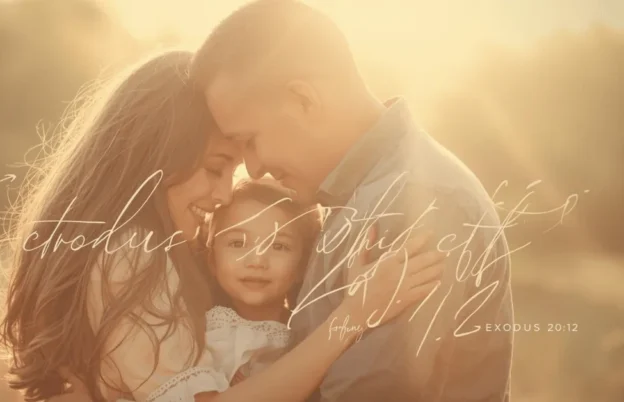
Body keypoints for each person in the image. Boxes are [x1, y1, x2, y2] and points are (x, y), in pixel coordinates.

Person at [0, 49, 445, 402]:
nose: (225, 195)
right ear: (154, 156)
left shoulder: (138, 246)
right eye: (216, 168)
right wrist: (354, 315)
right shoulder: (129, 251)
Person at [190, 1, 515, 401]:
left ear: (304, 100)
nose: (253, 170)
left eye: (249, 141)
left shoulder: (414, 203)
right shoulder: (358, 194)